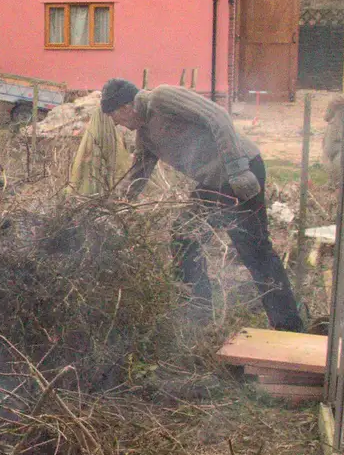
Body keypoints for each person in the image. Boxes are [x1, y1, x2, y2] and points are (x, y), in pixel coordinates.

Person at [100, 78, 303, 332]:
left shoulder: (162, 99)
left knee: (254, 251)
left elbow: (217, 116)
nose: (117, 124)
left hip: (240, 169)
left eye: (115, 117)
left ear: (125, 107)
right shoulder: (146, 135)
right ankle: (201, 314)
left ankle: (289, 328)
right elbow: (138, 174)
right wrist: (114, 206)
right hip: (213, 183)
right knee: (184, 235)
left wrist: (237, 170)